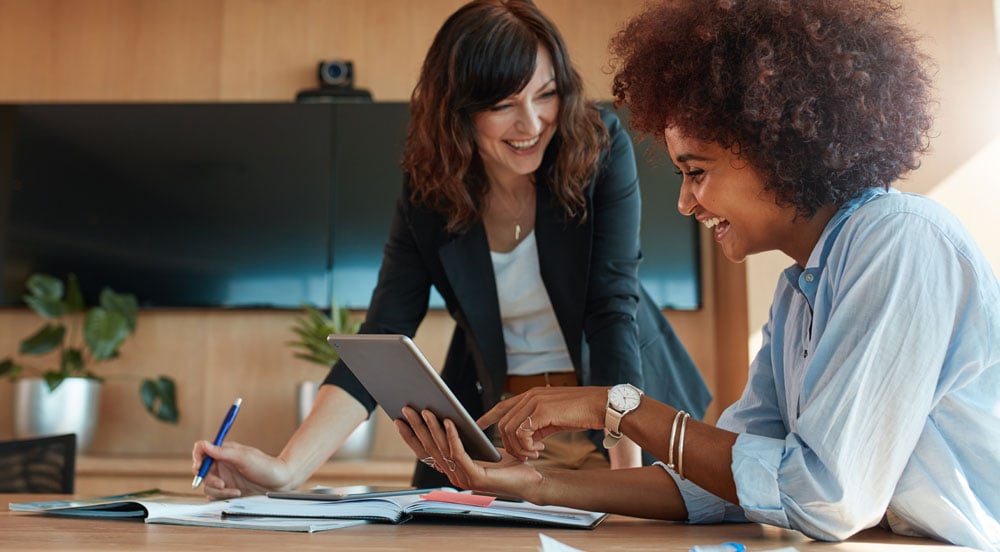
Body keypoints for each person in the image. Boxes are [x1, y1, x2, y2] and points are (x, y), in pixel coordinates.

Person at [395, 0, 1000, 549]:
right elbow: (717, 485)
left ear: (776, 150)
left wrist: (617, 405)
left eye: (696, 170)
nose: (685, 203)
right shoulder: (798, 296)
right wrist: (532, 485)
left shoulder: (899, 239)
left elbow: (825, 496)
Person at [192, 0, 710, 497]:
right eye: (504, 105)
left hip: (618, 422)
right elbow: (382, 335)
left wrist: (628, 481)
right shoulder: (431, 189)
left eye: (546, 94)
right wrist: (285, 470)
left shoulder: (597, 146)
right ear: (458, 111)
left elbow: (610, 310)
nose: (531, 124)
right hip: (504, 434)